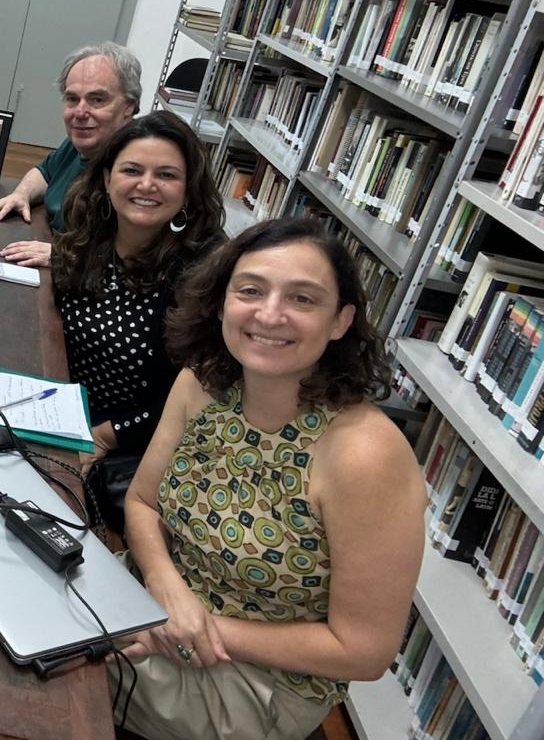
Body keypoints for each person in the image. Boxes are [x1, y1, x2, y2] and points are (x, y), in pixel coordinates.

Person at [116, 218, 426, 740]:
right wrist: (166, 589)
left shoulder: (365, 455)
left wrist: (194, 629)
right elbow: (143, 503)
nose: (269, 314)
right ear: (221, 302)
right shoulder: (201, 384)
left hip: (257, 677)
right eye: (251, 290)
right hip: (154, 604)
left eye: (302, 299)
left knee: (57, 681)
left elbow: (364, 650)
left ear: (340, 321)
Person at [53, 112, 224, 477]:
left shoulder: (203, 274)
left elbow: (199, 390)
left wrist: (106, 437)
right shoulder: (89, 234)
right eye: (132, 170)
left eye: (166, 175)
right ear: (107, 178)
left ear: (188, 189)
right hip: (59, 411)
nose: (147, 185)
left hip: (128, 445)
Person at [0, 42, 140, 267]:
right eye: (72, 99)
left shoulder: (136, 168)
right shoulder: (80, 143)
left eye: (97, 100)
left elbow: (135, 256)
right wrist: (22, 193)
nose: (80, 112)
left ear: (129, 106)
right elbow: (45, 173)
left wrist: (63, 255)